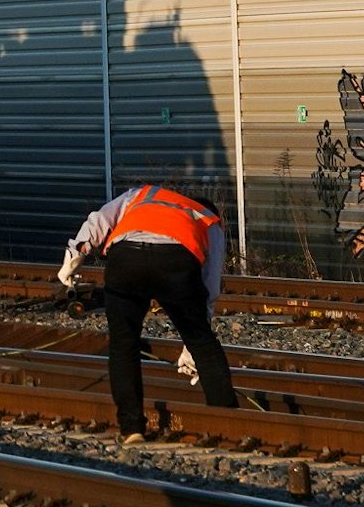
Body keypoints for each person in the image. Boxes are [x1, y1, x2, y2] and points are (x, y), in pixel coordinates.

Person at [58, 184, 238, 444]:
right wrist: (194, 343)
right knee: (203, 343)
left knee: (123, 344)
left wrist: (77, 252)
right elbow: (209, 288)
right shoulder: (209, 221)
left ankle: (132, 429)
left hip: (125, 258)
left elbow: (99, 220)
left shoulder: (144, 194)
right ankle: (226, 422)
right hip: (174, 262)